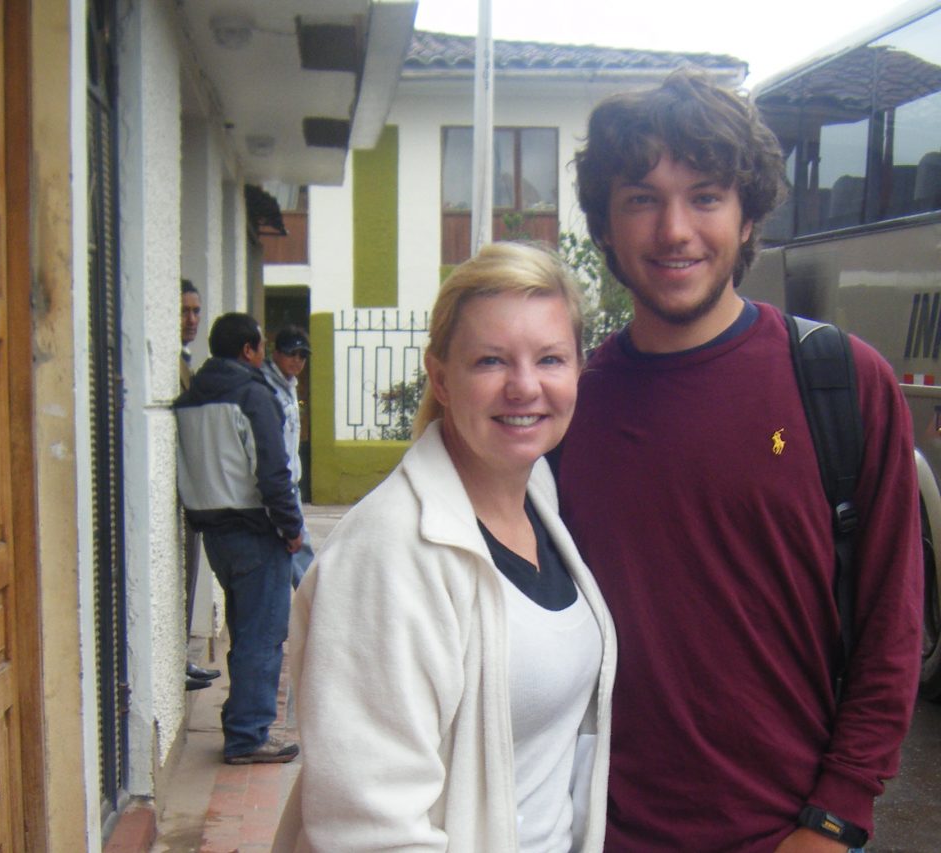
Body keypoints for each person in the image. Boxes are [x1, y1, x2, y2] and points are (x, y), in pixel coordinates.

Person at [558, 68, 922, 851]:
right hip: (598, 834)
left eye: (706, 196)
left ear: (748, 213)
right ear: (606, 226)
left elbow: (891, 621)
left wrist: (836, 815)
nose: (675, 230)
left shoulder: (842, 381)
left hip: (793, 834)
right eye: (642, 199)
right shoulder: (567, 410)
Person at [273, 242, 617, 852]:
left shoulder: (539, 497)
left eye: (550, 359)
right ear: (441, 378)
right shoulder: (390, 554)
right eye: (490, 361)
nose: (524, 386)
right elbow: (371, 831)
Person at [174, 313, 304, 764]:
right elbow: (272, 470)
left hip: (215, 535)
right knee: (262, 637)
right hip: (255, 530)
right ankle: (249, 735)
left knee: (244, 632)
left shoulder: (190, 398)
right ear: (249, 350)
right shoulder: (252, 395)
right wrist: (290, 528)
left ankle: (240, 722)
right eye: (261, 348)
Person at [178, 278, 220, 691]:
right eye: (183, 311)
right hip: (181, 490)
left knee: (187, 577)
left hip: (188, 496)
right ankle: (177, 659)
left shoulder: (187, 364)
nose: (191, 320)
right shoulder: (174, 365)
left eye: (195, 311)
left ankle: (181, 658)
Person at [261, 325, 316, 588]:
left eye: (302, 355)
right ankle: (315, 605)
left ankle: (313, 601)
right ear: (276, 353)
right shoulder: (268, 387)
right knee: (298, 545)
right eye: (291, 353)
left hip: (290, 481)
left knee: (297, 549)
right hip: (279, 482)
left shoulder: (288, 385)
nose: (297, 360)